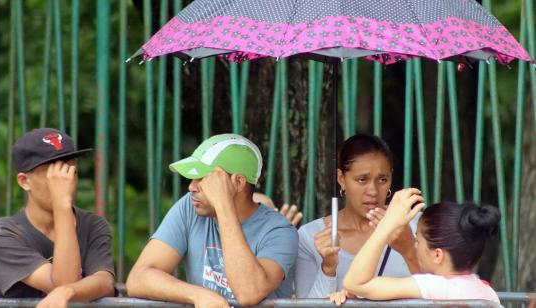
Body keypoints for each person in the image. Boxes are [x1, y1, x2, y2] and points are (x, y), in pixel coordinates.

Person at [126, 134, 298, 306]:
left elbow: (249, 293)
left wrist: (223, 204)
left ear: (238, 182)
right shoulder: (189, 207)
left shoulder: (280, 231)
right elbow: (138, 278)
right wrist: (198, 295)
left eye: (204, 178)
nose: (191, 186)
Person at [0, 128, 115, 307]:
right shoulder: (0, 235)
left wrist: (68, 292)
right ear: (24, 181)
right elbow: (63, 281)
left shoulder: (93, 225)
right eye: (52, 174)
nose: (64, 182)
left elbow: (105, 282)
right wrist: (62, 205)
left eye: (69, 171)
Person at [295, 134, 419, 298]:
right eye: (362, 180)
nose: (373, 191)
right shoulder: (310, 236)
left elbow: (443, 293)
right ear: (341, 179)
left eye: (382, 179)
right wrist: (328, 268)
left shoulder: (413, 224)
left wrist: (409, 250)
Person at [330, 191, 500, 305]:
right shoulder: (486, 292)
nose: (413, 244)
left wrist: (387, 225)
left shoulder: (437, 286)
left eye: (417, 240)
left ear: (438, 255)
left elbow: (355, 283)